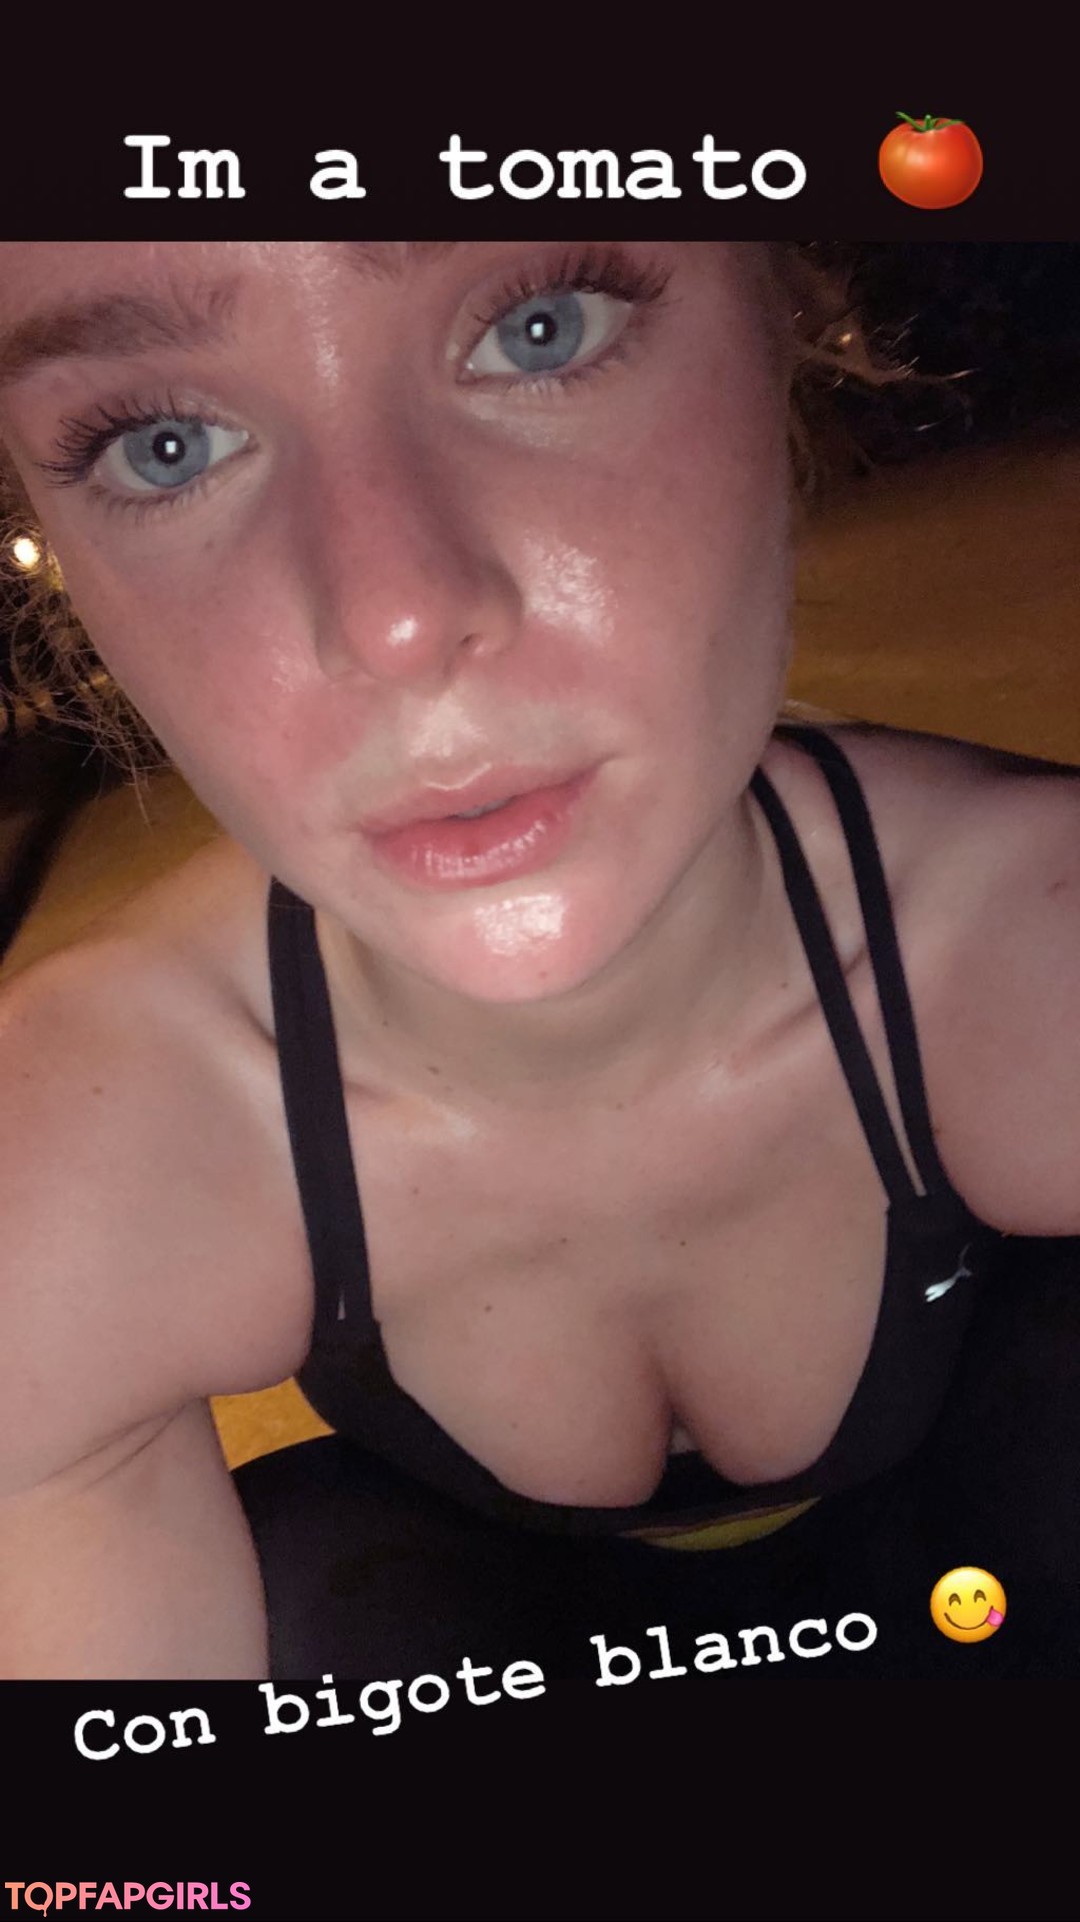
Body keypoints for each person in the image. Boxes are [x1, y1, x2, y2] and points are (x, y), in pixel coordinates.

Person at [0, 241, 1076, 1682]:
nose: (394, 619)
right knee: (329, 1608)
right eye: (164, 444)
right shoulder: (69, 1174)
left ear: (789, 313)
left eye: (539, 329)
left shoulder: (1028, 940)